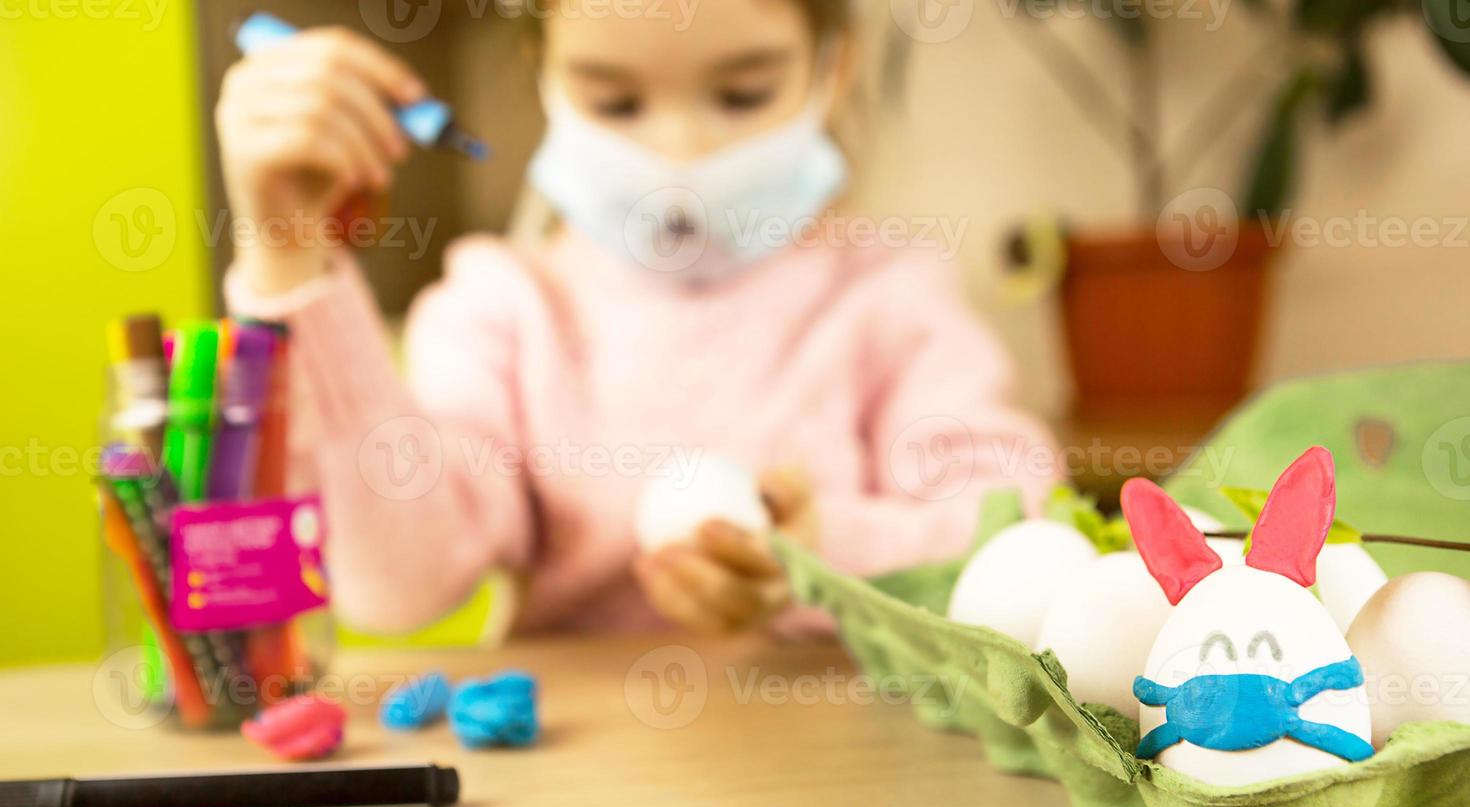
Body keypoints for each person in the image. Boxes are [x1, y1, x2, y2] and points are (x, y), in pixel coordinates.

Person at [214, 0, 1057, 635]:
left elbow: (1023, 534)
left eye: (743, 93)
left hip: (857, 787)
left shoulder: (892, 297)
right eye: (615, 104)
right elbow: (399, 587)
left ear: (829, 71)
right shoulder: (503, 308)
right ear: (546, 76)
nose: (680, 150)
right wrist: (286, 248)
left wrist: (822, 551)